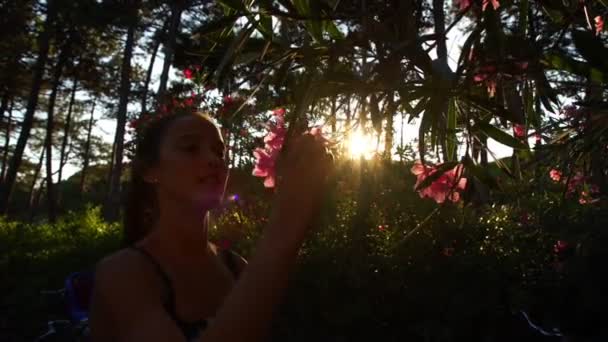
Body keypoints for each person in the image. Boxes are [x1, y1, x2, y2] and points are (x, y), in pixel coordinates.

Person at [89, 109, 333, 341]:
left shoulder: (236, 266)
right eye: (190, 148)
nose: (213, 160)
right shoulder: (121, 272)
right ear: (150, 171)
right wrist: (289, 216)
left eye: (219, 152)